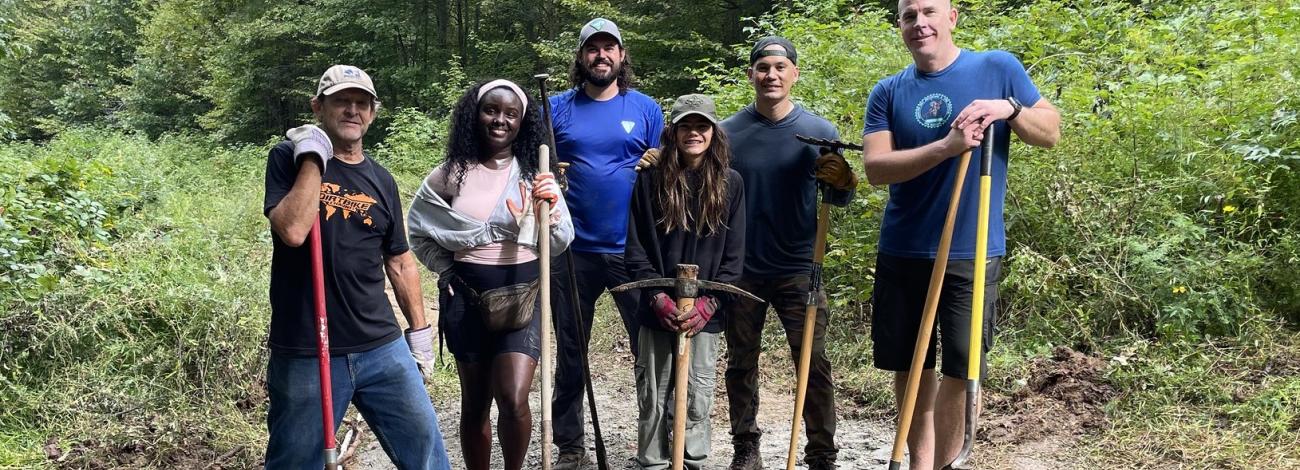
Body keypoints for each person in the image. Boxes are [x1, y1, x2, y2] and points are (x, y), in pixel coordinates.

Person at [861, 1, 1061, 468]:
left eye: (929, 11)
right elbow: (876, 168)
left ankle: (946, 465)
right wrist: (947, 147)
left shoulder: (997, 68)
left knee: (961, 368)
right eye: (908, 15)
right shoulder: (888, 91)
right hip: (904, 248)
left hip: (971, 251)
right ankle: (918, 463)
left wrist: (1009, 108)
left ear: (952, 17)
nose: (919, 23)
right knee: (911, 367)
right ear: (900, 27)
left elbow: (1049, 132)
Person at [262, 64, 450, 469]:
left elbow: (399, 260)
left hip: (381, 345)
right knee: (296, 462)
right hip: (308, 348)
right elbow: (293, 230)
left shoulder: (381, 179)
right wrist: (314, 155)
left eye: (361, 103)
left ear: (373, 113)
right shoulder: (288, 159)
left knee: (427, 452)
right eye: (341, 101)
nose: (352, 110)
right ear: (318, 107)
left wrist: (419, 334)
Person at [406, 79, 573, 470]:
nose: (500, 120)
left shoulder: (536, 174)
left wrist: (549, 207)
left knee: (514, 398)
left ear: (522, 121)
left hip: (524, 295)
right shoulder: (450, 175)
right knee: (475, 401)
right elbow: (417, 230)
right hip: (466, 296)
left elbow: (563, 240)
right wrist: (446, 269)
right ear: (474, 115)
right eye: (491, 110)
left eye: (510, 113)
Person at [721, 37, 858, 470]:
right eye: (763, 67)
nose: (772, 75)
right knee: (741, 362)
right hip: (741, 267)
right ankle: (746, 445)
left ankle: (821, 452)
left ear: (794, 73)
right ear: (751, 75)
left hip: (800, 267)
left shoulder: (820, 132)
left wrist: (844, 181)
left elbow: (838, 200)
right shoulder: (725, 133)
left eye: (781, 67)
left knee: (813, 362)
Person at [547, 17, 665, 469]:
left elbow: (665, 171)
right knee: (572, 347)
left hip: (631, 250)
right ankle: (570, 445)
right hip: (571, 250)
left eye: (609, 48)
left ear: (622, 55)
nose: (601, 55)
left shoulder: (647, 108)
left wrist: (658, 160)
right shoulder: (556, 107)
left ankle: (654, 444)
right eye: (592, 48)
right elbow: (536, 166)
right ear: (581, 57)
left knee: (648, 348)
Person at [624, 94, 745, 470]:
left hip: (703, 316)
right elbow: (636, 248)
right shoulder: (650, 181)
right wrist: (658, 297)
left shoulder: (731, 183)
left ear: (714, 132)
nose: (694, 133)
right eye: (686, 126)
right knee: (655, 397)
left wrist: (709, 304)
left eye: (702, 126)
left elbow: (734, 257)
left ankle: (694, 462)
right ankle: (655, 464)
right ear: (672, 132)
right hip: (656, 310)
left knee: (697, 397)